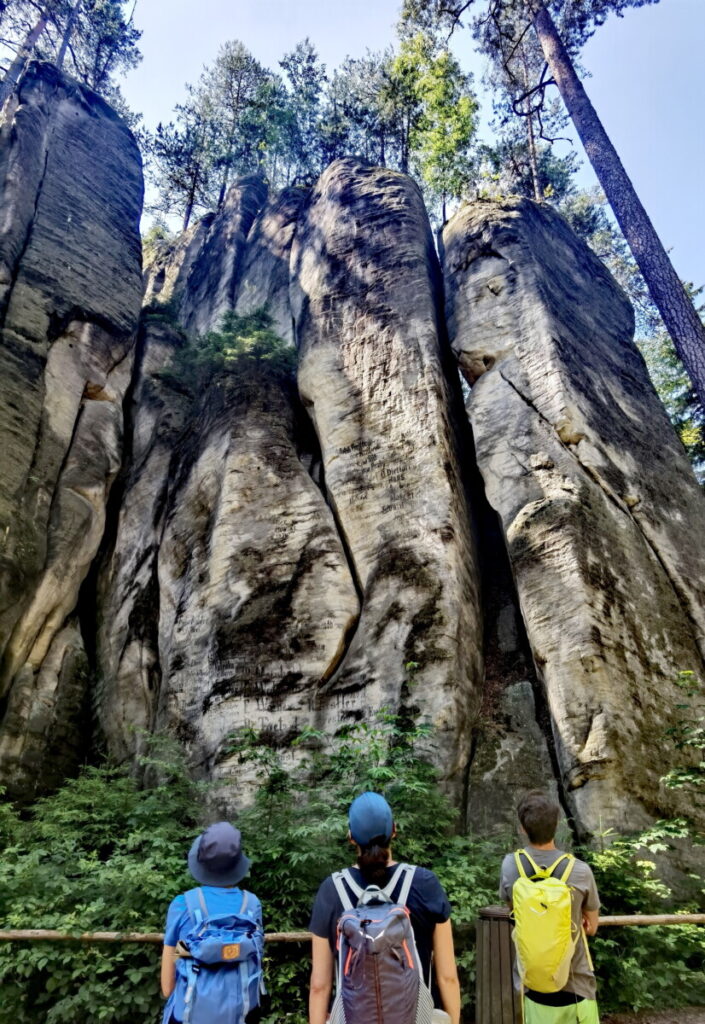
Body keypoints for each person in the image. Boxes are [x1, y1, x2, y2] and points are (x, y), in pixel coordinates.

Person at [308, 791, 461, 1024]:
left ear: (351, 837)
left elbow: (320, 986)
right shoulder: (425, 884)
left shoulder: (332, 890)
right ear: (394, 830)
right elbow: (447, 977)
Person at [500, 791, 601, 1024]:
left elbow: (515, 912)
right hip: (577, 984)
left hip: (533, 983)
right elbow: (592, 927)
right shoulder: (580, 870)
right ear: (557, 825)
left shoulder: (510, 866)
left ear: (523, 829)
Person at [161, 821, 264, 1024]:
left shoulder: (183, 905)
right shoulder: (251, 905)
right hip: (240, 1015)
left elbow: (167, 986)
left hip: (188, 1015)